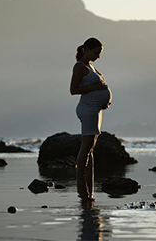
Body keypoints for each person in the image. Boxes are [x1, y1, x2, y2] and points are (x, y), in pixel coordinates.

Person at [70, 37, 112, 201]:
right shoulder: (79, 67)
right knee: (86, 145)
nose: (98, 56)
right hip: (87, 109)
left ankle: (89, 180)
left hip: (95, 109)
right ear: (86, 49)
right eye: (96, 52)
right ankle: (80, 178)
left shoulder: (90, 66)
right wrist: (95, 88)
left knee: (91, 147)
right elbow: (73, 89)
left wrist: (105, 101)